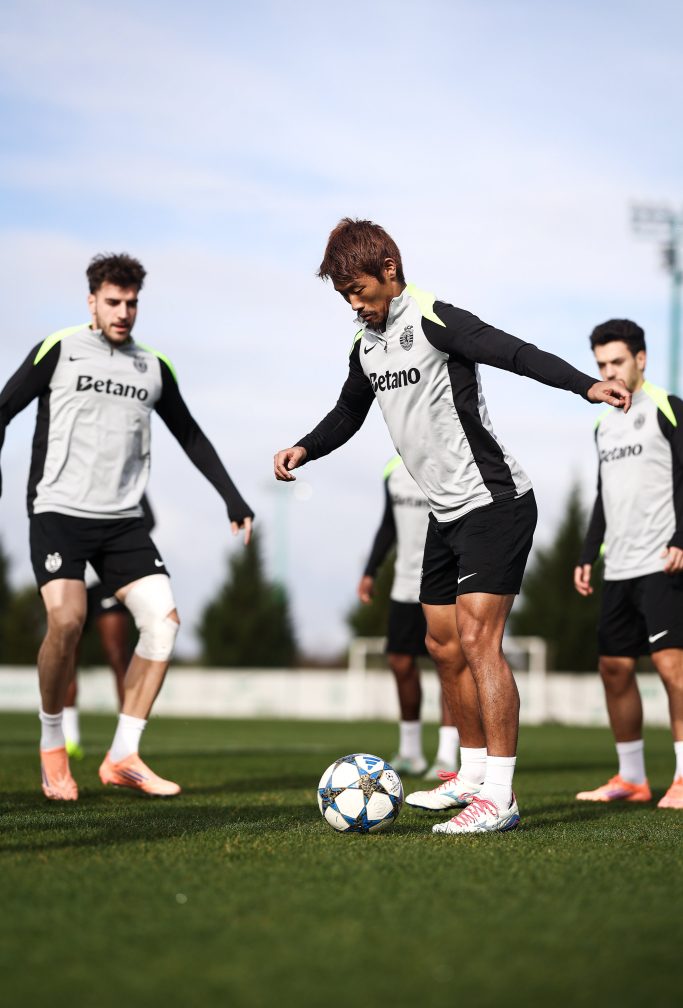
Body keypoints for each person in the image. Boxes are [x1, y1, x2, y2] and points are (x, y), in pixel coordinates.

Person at [274, 218, 630, 835]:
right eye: (343, 297)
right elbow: (348, 411)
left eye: (357, 290)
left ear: (389, 271)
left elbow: (514, 351)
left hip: (495, 503)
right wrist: (305, 448)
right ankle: (467, 776)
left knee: (477, 640)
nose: (353, 304)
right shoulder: (367, 344)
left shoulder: (435, 318)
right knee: (441, 644)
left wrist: (585, 385)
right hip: (443, 511)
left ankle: (500, 794)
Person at [0, 253, 253, 801]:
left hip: (122, 523)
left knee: (163, 624)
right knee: (67, 623)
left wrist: (233, 498)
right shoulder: (59, 349)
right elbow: (2, 411)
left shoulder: (153, 367)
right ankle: (51, 748)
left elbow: (190, 435)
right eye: (113, 301)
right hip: (59, 512)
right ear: (91, 301)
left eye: (131, 302)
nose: (123, 312)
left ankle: (123, 754)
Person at [574, 319, 683, 810]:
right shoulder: (603, 422)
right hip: (617, 565)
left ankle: (682, 778)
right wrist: (586, 553)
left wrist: (682, 538)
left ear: (641, 359)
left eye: (616, 361)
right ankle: (633, 778)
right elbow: (604, 494)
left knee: (671, 667)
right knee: (614, 668)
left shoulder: (668, 409)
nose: (609, 372)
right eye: (601, 364)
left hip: (663, 561)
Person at [358, 454, 460, 777]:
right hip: (404, 584)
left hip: (444, 582)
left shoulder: (449, 461)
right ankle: (410, 752)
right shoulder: (391, 470)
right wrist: (370, 570)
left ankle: (447, 757)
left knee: (449, 664)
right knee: (400, 662)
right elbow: (389, 523)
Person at [63, 494, 156, 759]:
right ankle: (70, 739)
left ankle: (126, 742)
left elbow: (148, 519)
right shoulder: (68, 472)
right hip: (73, 575)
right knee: (69, 653)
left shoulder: (124, 474)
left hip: (107, 578)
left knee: (118, 655)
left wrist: (114, 547)